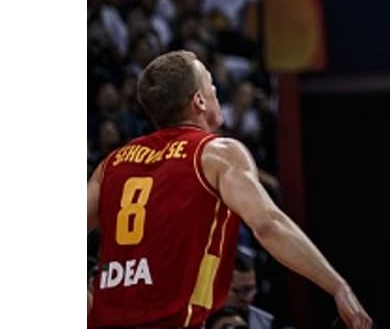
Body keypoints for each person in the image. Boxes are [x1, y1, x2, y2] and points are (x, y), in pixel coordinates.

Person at [87, 50, 372, 328]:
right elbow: (268, 225)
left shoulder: (111, 164)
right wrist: (337, 286)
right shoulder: (216, 153)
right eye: (211, 85)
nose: (216, 92)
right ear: (199, 101)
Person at [226, 254, 274, 329]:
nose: (247, 298)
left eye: (251, 289)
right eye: (238, 291)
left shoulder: (266, 324)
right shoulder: (201, 318)